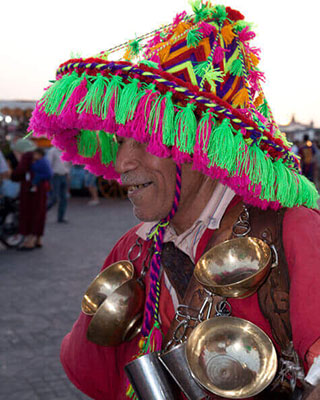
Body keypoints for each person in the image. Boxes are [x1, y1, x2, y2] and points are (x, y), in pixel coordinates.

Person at [29, 2, 320, 399]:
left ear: (194, 144)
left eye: (145, 140)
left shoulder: (294, 229)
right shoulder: (131, 248)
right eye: (119, 139)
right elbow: (91, 374)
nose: (121, 162)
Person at [11, 139, 51, 249]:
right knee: (40, 212)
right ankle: (38, 238)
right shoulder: (38, 155)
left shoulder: (27, 155)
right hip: (41, 187)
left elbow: (21, 171)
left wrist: (12, 176)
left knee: (31, 212)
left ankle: (31, 240)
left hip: (32, 190)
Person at [46, 146, 71, 223]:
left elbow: (68, 164)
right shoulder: (52, 151)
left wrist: (68, 174)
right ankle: (42, 212)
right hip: (55, 176)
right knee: (54, 198)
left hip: (64, 175)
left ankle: (61, 217)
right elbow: (48, 164)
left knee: (64, 197)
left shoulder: (67, 151)